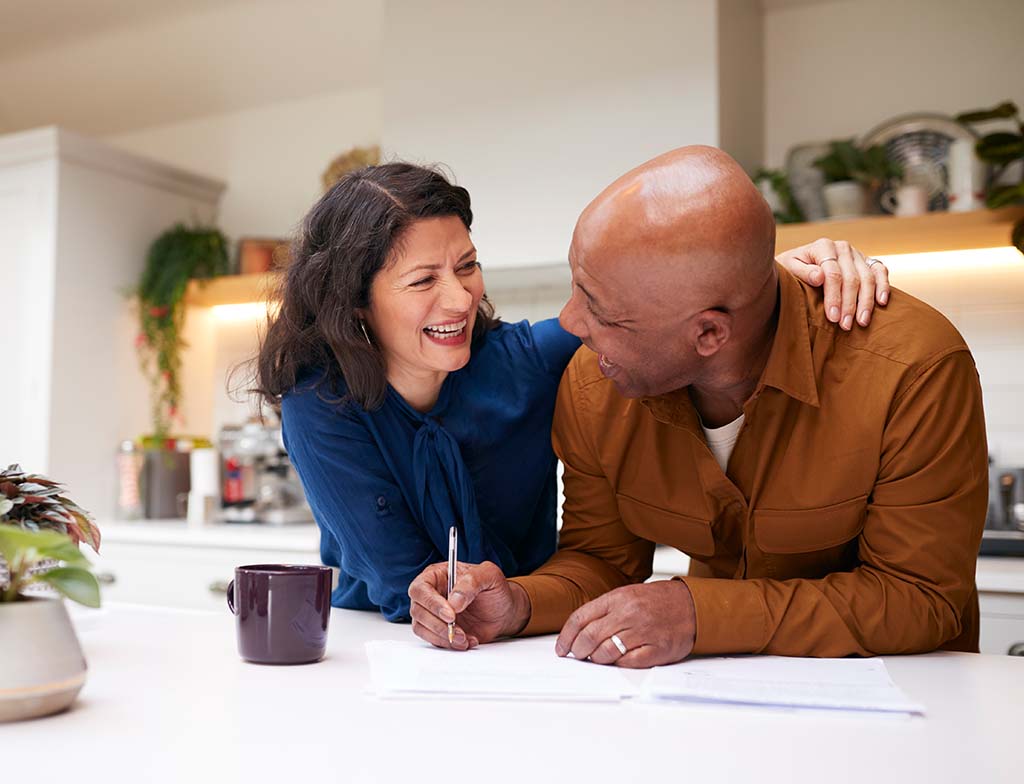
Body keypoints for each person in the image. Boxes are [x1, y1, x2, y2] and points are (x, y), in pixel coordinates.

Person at [408, 146, 987, 664]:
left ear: (709, 335)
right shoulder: (596, 382)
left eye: (603, 312)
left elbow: (921, 598)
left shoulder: (912, 369)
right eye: (577, 286)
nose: (569, 323)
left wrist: (697, 614)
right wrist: (517, 602)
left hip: (907, 711)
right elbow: (602, 560)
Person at [255, 161, 887, 624]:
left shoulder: (524, 364)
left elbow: (655, 315)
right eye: (424, 280)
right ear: (355, 304)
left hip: (528, 629)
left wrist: (773, 275)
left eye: (467, 266)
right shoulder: (321, 405)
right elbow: (405, 585)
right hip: (391, 643)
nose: (460, 298)